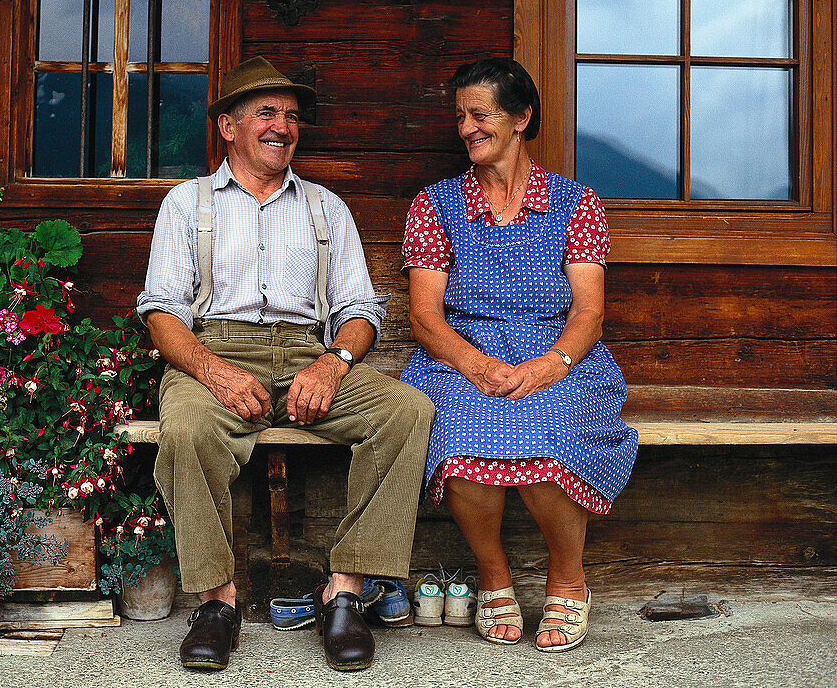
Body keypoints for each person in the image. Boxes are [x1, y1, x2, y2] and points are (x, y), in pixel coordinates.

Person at [137, 56, 434, 672]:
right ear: (228, 127)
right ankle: (218, 602)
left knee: (407, 411)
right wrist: (214, 371)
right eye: (266, 113)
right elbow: (162, 314)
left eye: (292, 116)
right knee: (188, 429)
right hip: (213, 352)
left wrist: (334, 362)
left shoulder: (326, 207)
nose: (283, 126)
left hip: (307, 355)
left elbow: (360, 310)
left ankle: (344, 592)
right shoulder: (186, 205)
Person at [399, 58, 638, 653]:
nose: (467, 128)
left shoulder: (575, 203)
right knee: (458, 435)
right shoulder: (436, 204)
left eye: (481, 115)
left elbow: (588, 312)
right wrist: (478, 366)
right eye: (460, 117)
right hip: (461, 354)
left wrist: (545, 367)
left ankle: (568, 579)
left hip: (558, 353)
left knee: (551, 429)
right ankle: (494, 574)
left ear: (521, 118)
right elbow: (426, 316)